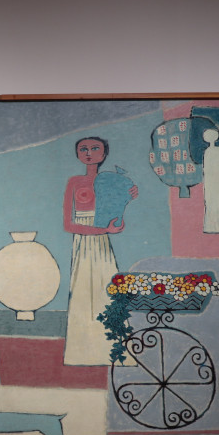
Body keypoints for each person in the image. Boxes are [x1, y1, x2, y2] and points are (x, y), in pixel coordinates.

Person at [63, 137, 137, 366]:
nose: (89, 153)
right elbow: (68, 224)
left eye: (95, 148)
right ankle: (80, 352)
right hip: (84, 242)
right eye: (83, 149)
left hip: (102, 243)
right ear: (77, 154)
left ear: (104, 154)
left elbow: (116, 214)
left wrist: (127, 197)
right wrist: (102, 230)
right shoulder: (74, 181)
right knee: (82, 290)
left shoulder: (112, 180)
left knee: (107, 288)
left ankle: (113, 349)